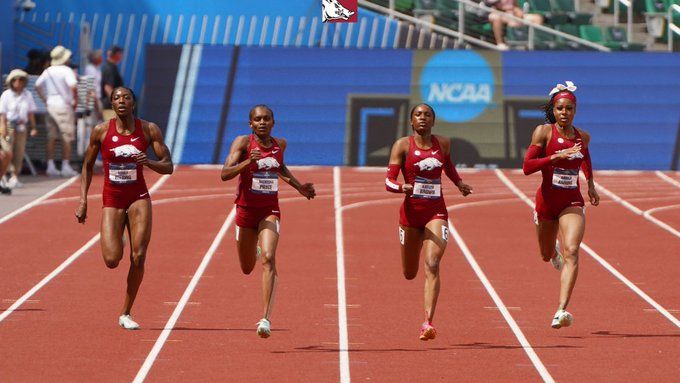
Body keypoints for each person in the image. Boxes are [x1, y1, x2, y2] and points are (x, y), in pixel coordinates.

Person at [75, 86, 173, 329]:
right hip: (113, 198)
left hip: (138, 196)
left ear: (133, 103)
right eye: (116, 98)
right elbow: (87, 165)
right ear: (112, 104)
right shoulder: (100, 131)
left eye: (126, 97)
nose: (121, 101)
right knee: (111, 259)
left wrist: (147, 161)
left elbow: (168, 166)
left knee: (138, 257)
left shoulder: (149, 130)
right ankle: (120, 235)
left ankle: (126, 312)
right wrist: (83, 200)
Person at [220, 105, 315, 338]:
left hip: (269, 210)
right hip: (244, 211)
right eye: (257, 119)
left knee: (269, 258)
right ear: (250, 124)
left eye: (266, 119)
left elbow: (280, 168)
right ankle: (255, 246)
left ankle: (265, 319)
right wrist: (247, 163)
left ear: (273, 122)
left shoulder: (279, 144)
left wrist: (299, 187)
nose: (262, 122)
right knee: (246, 267)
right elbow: (225, 173)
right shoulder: (242, 143)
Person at [385, 103, 473, 341]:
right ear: (411, 121)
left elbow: (449, 168)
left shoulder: (443, 143)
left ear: (433, 121)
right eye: (418, 115)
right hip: (410, 216)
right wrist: (401, 186)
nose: (422, 118)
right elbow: (389, 180)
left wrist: (459, 183)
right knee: (410, 272)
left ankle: (427, 322)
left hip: (436, 213)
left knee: (433, 264)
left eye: (427, 115)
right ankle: (424, 311)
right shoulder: (403, 145)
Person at [522, 81, 599, 329]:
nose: (564, 113)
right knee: (546, 255)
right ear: (553, 111)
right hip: (546, 202)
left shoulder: (582, 137)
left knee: (573, 250)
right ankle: (552, 252)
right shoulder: (543, 132)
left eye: (568, 109)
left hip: (571, 201)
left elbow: (585, 158)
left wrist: (590, 184)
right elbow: (527, 167)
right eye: (559, 109)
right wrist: (556, 156)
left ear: (575, 110)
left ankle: (561, 309)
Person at [35, 45, 79, 177]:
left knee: (51, 137)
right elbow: (73, 86)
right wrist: (75, 100)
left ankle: (50, 166)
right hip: (64, 106)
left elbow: (38, 85)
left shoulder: (48, 71)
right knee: (67, 136)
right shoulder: (66, 70)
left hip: (50, 106)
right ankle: (65, 165)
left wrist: (45, 99)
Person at [0, 69, 38, 188]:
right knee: (7, 152)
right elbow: (3, 114)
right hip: (9, 126)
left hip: (22, 126)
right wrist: (3, 127)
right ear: (11, 81)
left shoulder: (28, 95)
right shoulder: (6, 95)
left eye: (21, 79)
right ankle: (2, 176)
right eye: (15, 79)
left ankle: (15, 176)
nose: (18, 82)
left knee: (19, 152)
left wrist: (33, 127)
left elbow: (31, 113)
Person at [101, 46, 124, 122]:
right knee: (112, 130)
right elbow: (108, 87)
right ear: (116, 54)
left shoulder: (110, 66)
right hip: (109, 107)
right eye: (120, 53)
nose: (121, 56)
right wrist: (116, 102)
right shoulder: (110, 68)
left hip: (110, 106)